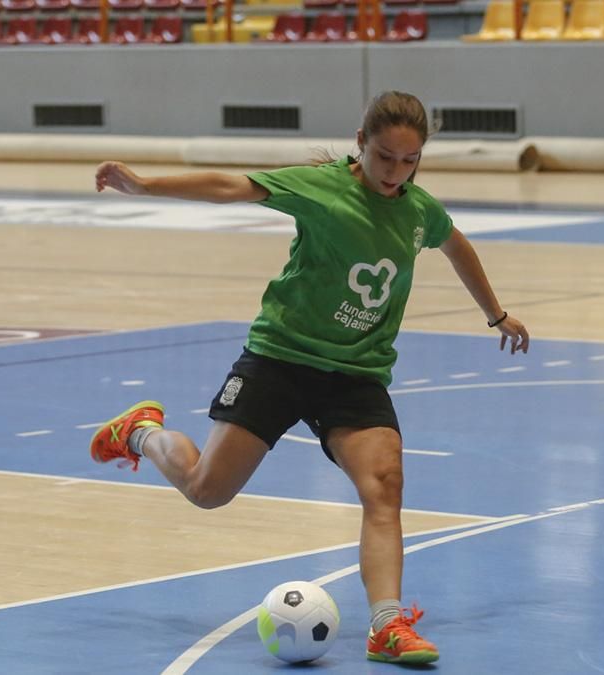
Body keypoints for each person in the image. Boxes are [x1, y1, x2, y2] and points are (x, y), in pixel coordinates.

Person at [88, 91, 529, 663]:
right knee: (207, 490)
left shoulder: (419, 210)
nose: (396, 171)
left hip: (355, 372)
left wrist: (494, 312)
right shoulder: (320, 189)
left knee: (385, 486)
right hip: (281, 358)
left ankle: (387, 625)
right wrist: (144, 186)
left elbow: (456, 244)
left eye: (409, 160)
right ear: (360, 143)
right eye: (385, 157)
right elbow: (231, 186)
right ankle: (143, 432)